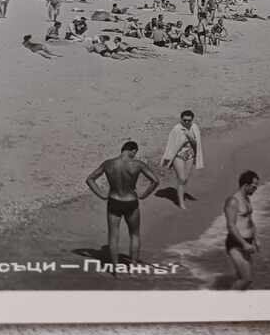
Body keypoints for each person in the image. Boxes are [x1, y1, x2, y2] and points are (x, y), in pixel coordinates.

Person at [85, 141, 160, 269]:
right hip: (131, 201)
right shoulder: (137, 164)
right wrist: (144, 194)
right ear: (133, 150)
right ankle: (133, 266)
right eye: (135, 153)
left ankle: (115, 269)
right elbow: (155, 180)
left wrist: (101, 195)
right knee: (134, 234)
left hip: (114, 201)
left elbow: (90, 179)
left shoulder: (109, 163)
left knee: (113, 235)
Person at [224, 170, 261, 290]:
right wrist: (244, 244)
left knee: (242, 277)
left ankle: (236, 303)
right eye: (254, 187)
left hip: (247, 242)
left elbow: (250, 221)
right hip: (236, 244)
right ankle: (226, 303)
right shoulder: (233, 201)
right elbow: (231, 226)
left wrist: (256, 238)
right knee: (246, 279)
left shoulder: (246, 199)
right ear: (246, 185)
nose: (255, 189)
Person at [161, 110, 204, 210]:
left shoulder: (194, 128)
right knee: (181, 178)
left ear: (192, 120)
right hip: (178, 155)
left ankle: (181, 195)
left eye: (189, 120)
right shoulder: (176, 129)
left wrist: (189, 136)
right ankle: (181, 203)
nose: (187, 122)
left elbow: (196, 144)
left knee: (185, 179)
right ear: (181, 119)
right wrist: (167, 159)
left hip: (190, 155)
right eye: (184, 120)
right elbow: (171, 145)